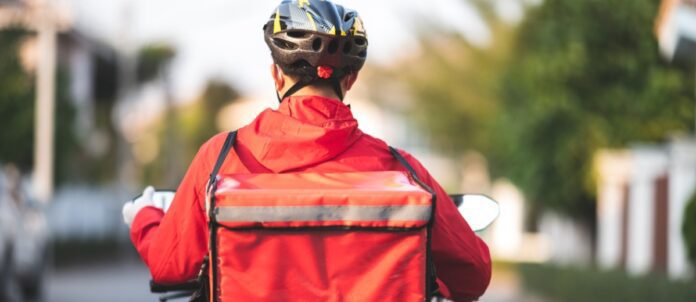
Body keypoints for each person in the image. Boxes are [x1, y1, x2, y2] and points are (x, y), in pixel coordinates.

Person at [122, 0, 492, 301]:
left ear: (276, 75)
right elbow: (473, 276)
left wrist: (146, 218)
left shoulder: (221, 158)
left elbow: (170, 265)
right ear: (351, 79)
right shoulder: (401, 170)